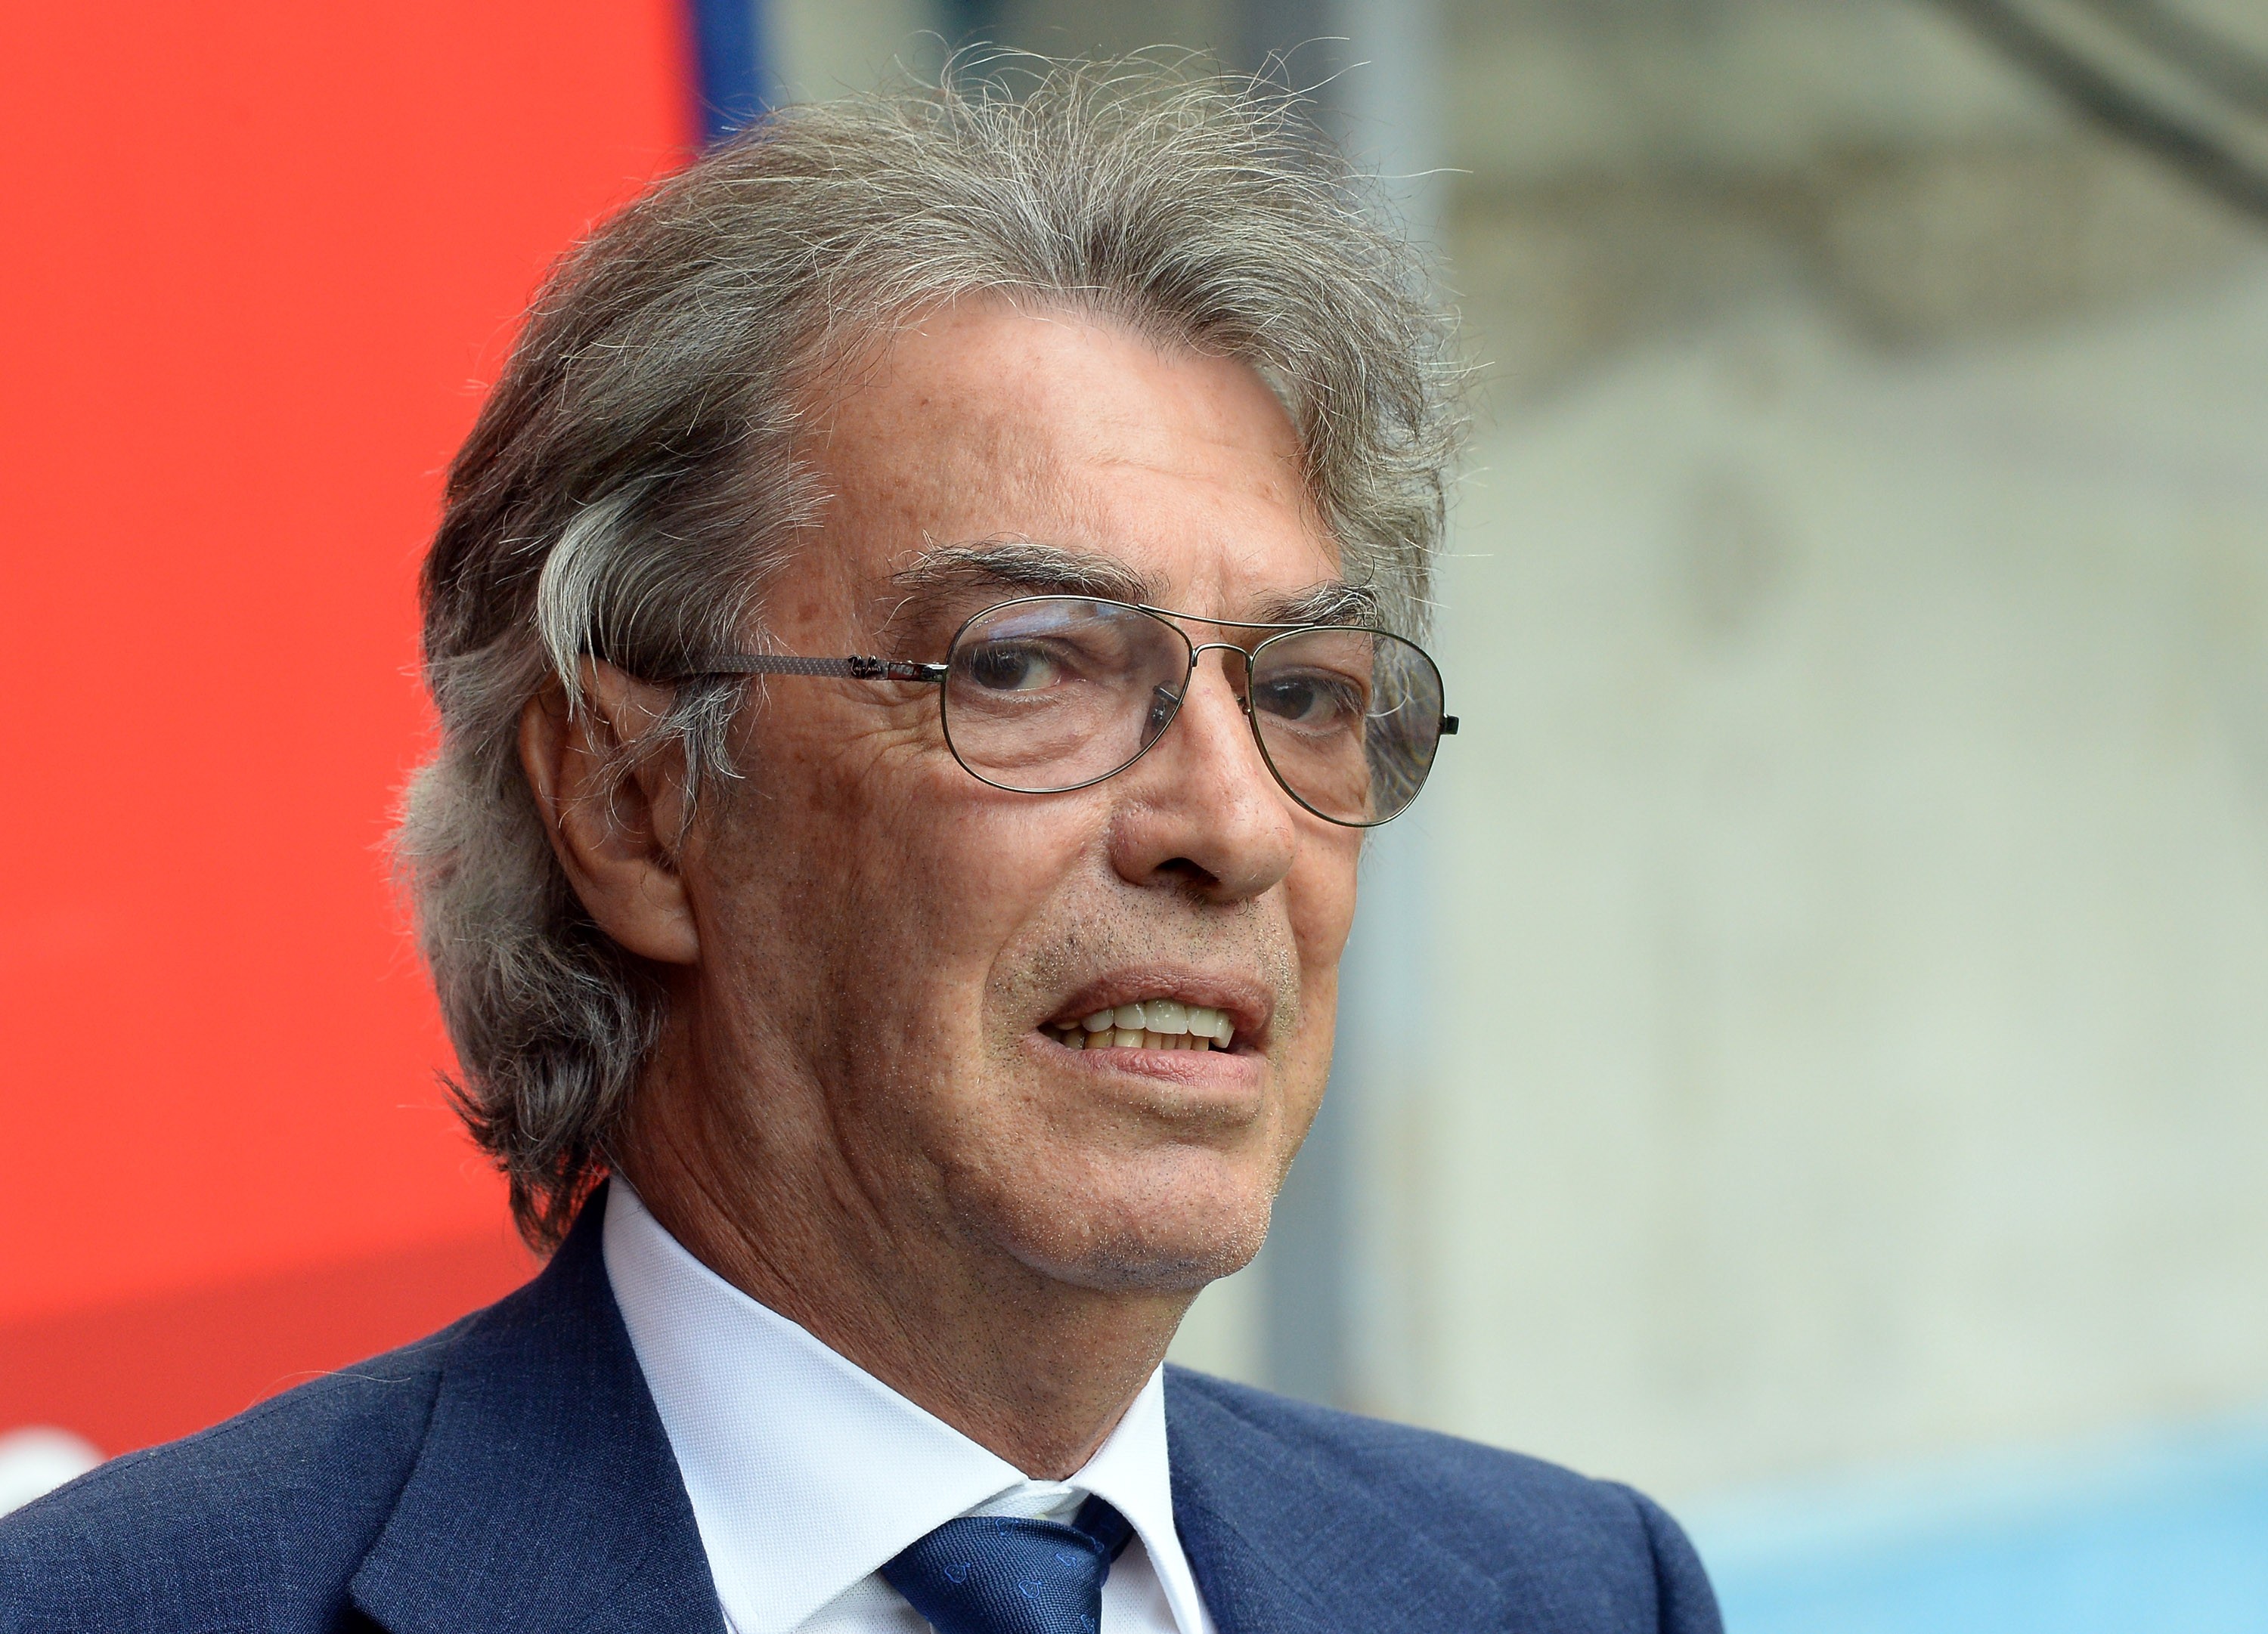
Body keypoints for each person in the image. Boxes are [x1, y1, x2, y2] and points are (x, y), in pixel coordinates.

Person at [0, 63, 1720, 1634]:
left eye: (1303, 690)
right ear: (632, 803)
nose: (1238, 823)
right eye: (1026, 667)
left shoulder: (1570, 1591)